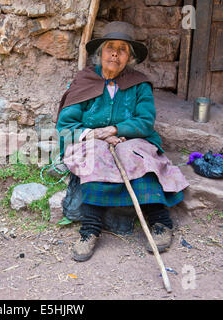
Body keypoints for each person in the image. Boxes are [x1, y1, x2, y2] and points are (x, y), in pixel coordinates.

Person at [56, 21, 189, 262]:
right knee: (95, 153)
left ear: (130, 57)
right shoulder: (84, 80)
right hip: (91, 140)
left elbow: (145, 121)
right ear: (100, 53)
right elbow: (66, 126)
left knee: (134, 153)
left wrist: (115, 129)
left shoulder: (138, 84)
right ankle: (89, 230)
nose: (115, 54)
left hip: (130, 139)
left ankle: (160, 221)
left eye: (123, 49)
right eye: (110, 47)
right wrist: (96, 134)